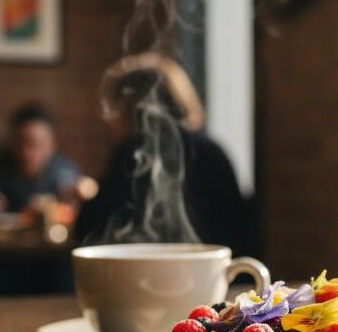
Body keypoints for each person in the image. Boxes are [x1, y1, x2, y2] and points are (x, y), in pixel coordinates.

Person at [76, 54, 250, 254]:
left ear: (129, 107)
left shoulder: (135, 153)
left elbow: (90, 227)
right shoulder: (213, 150)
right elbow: (241, 229)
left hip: (154, 281)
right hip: (222, 276)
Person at [0, 104, 80, 223]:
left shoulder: (65, 172)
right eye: (20, 142)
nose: (26, 152)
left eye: (36, 144)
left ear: (53, 144)